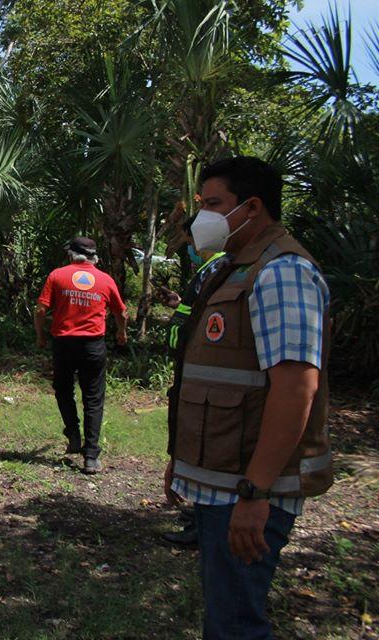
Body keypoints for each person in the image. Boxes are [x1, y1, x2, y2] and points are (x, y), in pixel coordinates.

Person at [164, 156, 332, 639]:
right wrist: (183, 458)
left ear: (252, 206)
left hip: (247, 489)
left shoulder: (281, 272)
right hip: (222, 482)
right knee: (226, 616)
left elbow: (297, 386)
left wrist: (256, 493)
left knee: (235, 624)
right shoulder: (236, 268)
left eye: (213, 204)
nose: (202, 217)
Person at [159, 221, 229, 547]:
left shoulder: (212, 270)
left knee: (199, 440)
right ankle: (199, 515)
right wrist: (177, 306)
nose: (188, 248)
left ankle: (203, 523)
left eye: (188, 241)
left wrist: (174, 335)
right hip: (199, 370)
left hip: (197, 370)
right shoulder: (220, 268)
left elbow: (186, 329)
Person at [34, 237, 127, 475]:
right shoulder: (105, 280)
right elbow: (121, 312)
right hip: (92, 346)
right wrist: (122, 334)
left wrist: (40, 335)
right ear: (94, 257)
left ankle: (73, 433)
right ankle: (91, 457)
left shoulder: (57, 276)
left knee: (63, 389)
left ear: (71, 255)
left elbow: (41, 309)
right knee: (93, 398)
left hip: (64, 343)